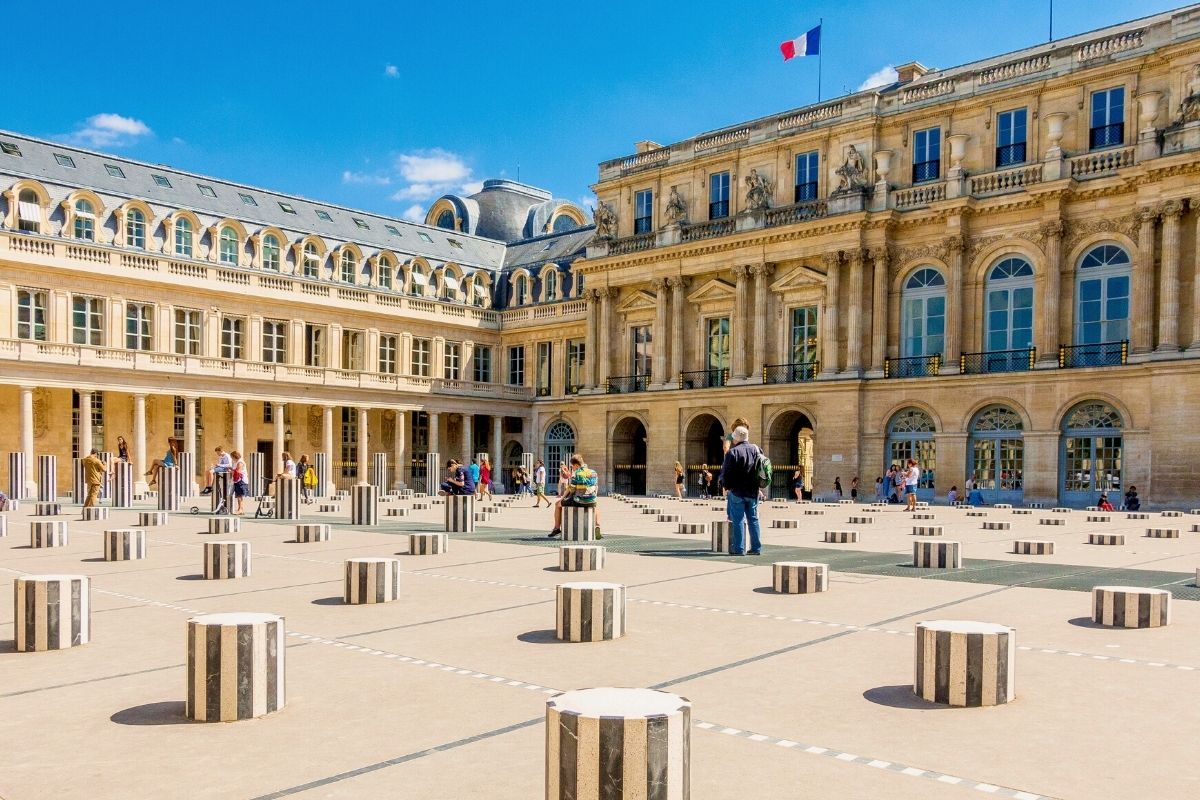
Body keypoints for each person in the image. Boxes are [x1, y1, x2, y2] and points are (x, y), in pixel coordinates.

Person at [718, 426, 763, 556]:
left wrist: (726, 486)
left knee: (738, 520)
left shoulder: (732, 453)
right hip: (753, 491)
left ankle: (739, 548)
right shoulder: (756, 449)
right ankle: (756, 548)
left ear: (736, 438)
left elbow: (726, 472)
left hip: (737, 491)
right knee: (753, 519)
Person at [548, 453, 600, 539]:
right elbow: (596, 487)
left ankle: (556, 528)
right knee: (595, 504)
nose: (572, 468)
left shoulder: (577, 473)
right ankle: (597, 525)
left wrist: (562, 498)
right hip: (592, 500)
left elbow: (571, 489)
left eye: (572, 466)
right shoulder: (593, 472)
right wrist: (594, 497)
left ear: (576, 465)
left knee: (557, 504)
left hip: (579, 501)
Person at [229, 450, 249, 514]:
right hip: (238, 480)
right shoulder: (237, 462)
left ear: (234, 456)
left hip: (241, 480)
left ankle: (240, 509)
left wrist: (231, 471)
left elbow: (238, 471)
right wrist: (232, 469)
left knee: (239, 495)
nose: (231, 458)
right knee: (239, 495)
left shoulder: (240, 462)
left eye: (232, 457)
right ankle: (240, 509)